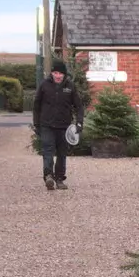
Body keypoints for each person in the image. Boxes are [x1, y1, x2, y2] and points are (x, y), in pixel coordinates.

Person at [33, 59, 83, 191]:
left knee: (62, 154)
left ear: (64, 74)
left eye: (60, 73)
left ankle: (60, 179)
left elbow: (78, 106)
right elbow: (36, 106)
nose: (58, 76)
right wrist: (37, 124)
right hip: (47, 125)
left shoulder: (70, 86)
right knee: (48, 151)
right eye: (55, 72)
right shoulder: (44, 85)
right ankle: (48, 176)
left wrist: (79, 123)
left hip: (64, 127)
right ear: (52, 73)